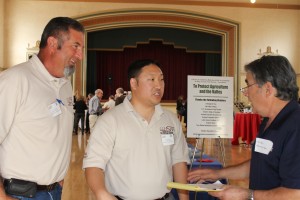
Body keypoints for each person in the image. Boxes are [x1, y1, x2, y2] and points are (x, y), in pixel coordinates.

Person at [188, 55, 300, 200]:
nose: (245, 93)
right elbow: (260, 163)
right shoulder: (268, 121)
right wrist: (218, 174)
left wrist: (248, 195)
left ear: (267, 89)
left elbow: (296, 193)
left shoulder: (295, 126)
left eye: (248, 85)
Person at [0, 17, 84, 200]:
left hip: (53, 192)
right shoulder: (15, 80)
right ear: (53, 43)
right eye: (76, 46)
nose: (80, 56)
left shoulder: (65, 86)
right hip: (19, 194)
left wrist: (57, 180)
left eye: (82, 49)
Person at [83, 59, 190, 200]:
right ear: (133, 83)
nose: (159, 85)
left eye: (161, 79)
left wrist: (184, 198)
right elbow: (93, 164)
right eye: (151, 79)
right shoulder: (110, 120)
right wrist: (102, 193)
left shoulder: (170, 120)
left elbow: (179, 161)